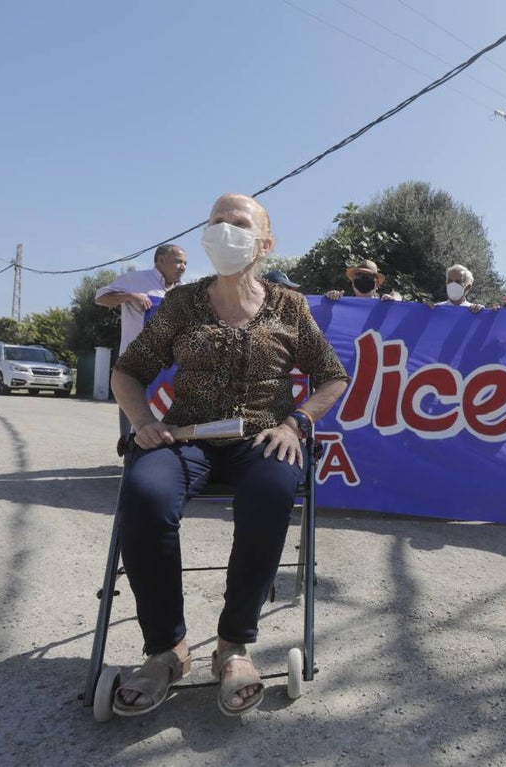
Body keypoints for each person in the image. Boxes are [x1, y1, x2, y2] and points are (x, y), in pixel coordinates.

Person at [109, 193, 349, 718]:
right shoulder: (182, 302)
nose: (222, 230)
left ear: (264, 244)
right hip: (185, 436)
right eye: (215, 221)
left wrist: (297, 422)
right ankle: (166, 651)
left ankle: (232, 646)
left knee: (271, 493)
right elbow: (127, 370)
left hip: (264, 437)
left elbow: (332, 376)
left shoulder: (289, 304)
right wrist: (144, 423)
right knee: (145, 496)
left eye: (236, 223)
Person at [95, 243, 188, 436]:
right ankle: (130, 454)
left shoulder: (184, 292)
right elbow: (101, 298)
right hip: (136, 367)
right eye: (178, 261)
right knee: (134, 419)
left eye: (185, 263)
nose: (183, 267)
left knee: (168, 419)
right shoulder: (135, 280)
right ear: (161, 260)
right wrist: (129, 296)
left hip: (171, 370)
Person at [324, 259, 400, 301]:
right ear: (353, 282)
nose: (363, 279)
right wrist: (328, 301)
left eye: (369, 277)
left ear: (377, 284)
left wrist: (395, 304)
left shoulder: (386, 306)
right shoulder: (340, 306)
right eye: (359, 276)